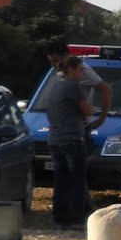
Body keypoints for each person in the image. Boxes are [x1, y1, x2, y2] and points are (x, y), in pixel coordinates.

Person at [47, 57, 104, 226]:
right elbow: (87, 110)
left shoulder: (56, 86)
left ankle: (60, 217)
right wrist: (93, 109)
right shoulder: (73, 87)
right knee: (77, 179)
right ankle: (78, 217)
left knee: (61, 179)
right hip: (72, 138)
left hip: (55, 139)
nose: (82, 73)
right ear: (71, 69)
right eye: (80, 69)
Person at [45, 38, 113, 121]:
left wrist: (101, 120)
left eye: (56, 60)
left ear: (66, 56)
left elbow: (106, 90)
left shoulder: (83, 70)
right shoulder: (59, 71)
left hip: (77, 124)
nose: (53, 65)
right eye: (51, 61)